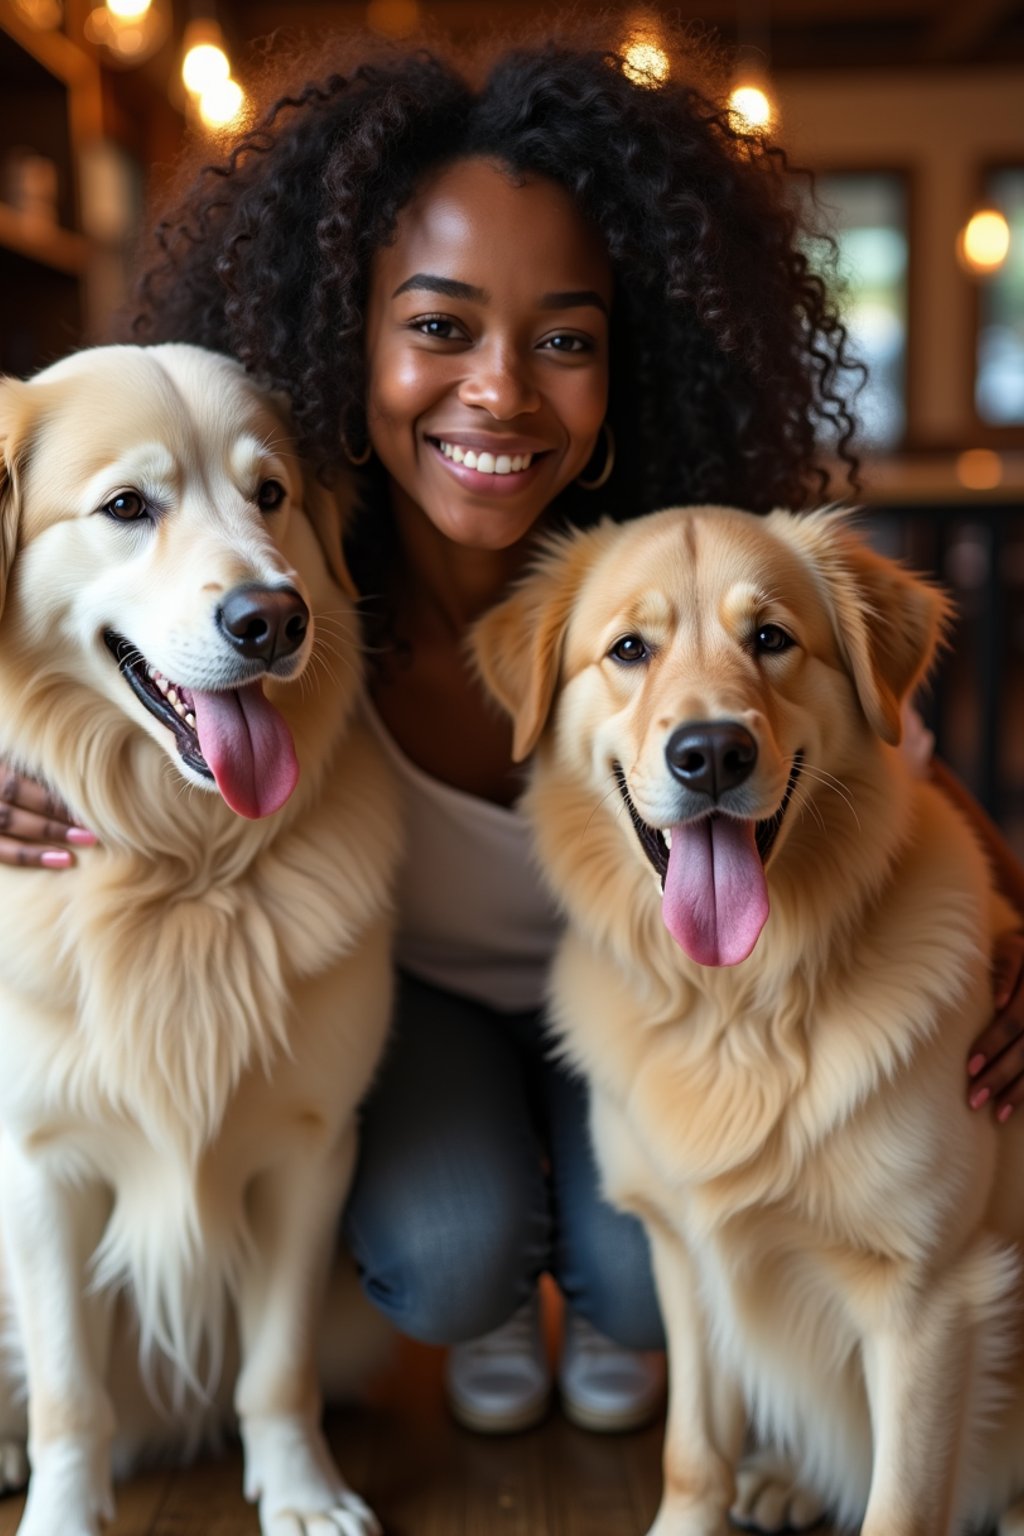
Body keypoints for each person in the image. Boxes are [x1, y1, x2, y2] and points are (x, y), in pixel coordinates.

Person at [2, 16, 1022, 1471]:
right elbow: (59, 646)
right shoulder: (263, 598)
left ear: (627, 374)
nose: (499, 388)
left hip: (648, 1003)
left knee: (636, 1287)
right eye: (436, 325)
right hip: (414, 1012)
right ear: (338, 335)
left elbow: (903, 766)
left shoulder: (681, 587)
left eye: (566, 342)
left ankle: (608, 1273)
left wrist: (1008, 920)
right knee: (450, 1252)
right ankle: (501, 1253)